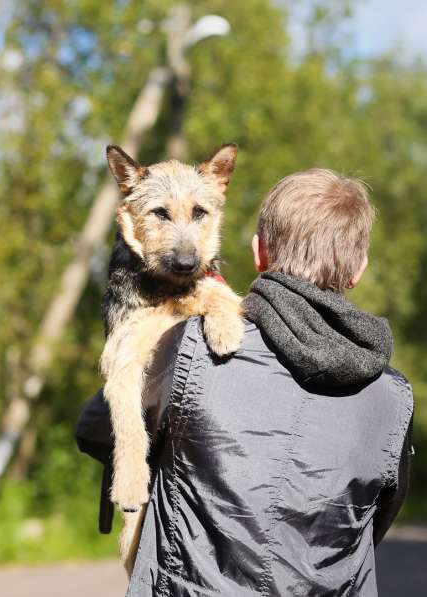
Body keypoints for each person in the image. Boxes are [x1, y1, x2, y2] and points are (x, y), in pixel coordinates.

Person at [76, 168, 414, 596]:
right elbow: (379, 519)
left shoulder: (186, 349)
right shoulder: (394, 398)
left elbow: (93, 429)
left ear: (259, 253)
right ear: (359, 270)